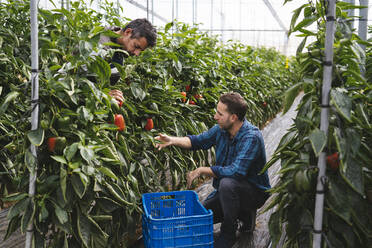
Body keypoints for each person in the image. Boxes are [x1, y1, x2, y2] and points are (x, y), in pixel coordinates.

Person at [155, 92, 271, 248]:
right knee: (202, 214)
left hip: (253, 192)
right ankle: (244, 215)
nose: (215, 116)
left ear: (233, 117)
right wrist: (171, 140)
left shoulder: (251, 137)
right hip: (229, 192)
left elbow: (236, 172)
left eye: (220, 113)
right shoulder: (221, 130)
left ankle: (228, 233)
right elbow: (197, 141)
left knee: (227, 184)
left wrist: (204, 170)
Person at [99, 18, 157, 103]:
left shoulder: (120, 48)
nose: (137, 53)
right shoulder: (99, 44)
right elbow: (81, 81)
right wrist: (103, 94)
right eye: (136, 46)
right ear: (127, 32)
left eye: (141, 50)